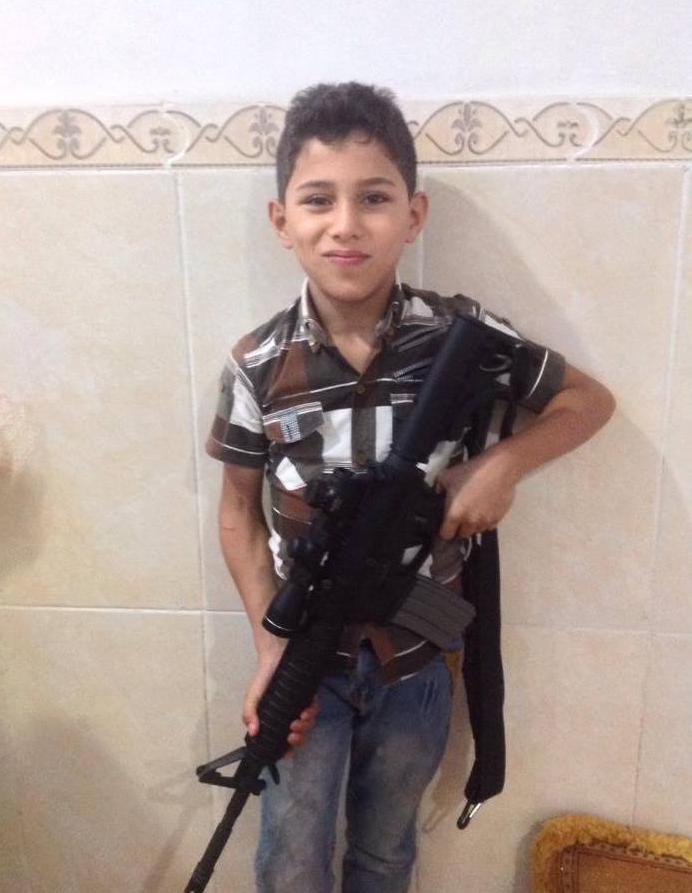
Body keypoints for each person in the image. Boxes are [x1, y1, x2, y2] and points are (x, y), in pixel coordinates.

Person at [206, 82, 615, 893]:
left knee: (385, 854)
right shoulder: (257, 363)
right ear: (281, 221)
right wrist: (269, 650)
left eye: (373, 198)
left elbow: (587, 402)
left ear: (413, 215)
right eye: (317, 200)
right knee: (289, 861)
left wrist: (502, 465)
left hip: (416, 665)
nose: (345, 224)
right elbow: (238, 516)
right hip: (309, 662)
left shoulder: (458, 336)